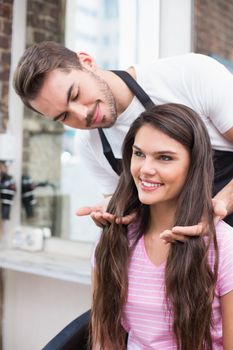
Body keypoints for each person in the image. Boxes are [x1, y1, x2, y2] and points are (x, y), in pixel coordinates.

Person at [13, 41, 233, 238]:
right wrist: (115, 208)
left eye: (75, 94)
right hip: (189, 254)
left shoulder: (189, 75)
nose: (82, 115)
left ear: (87, 62)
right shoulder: (90, 145)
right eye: (64, 116)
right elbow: (136, 202)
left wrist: (221, 203)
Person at [91, 103, 233, 350]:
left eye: (164, 158)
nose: (145, 169)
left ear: (194, 166)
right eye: (139, 154)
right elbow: (105, 340)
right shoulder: (113, 238)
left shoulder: (225, 246)